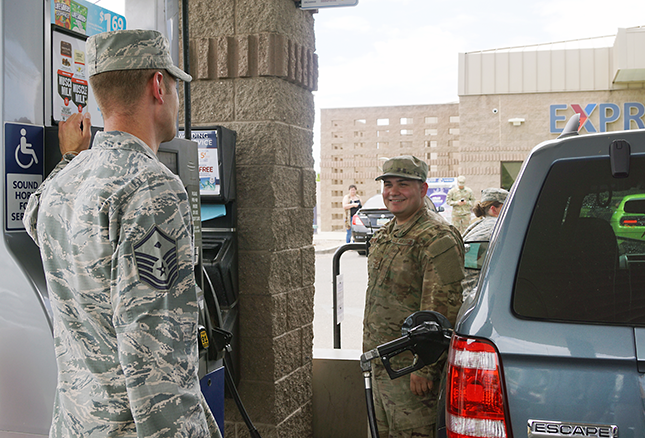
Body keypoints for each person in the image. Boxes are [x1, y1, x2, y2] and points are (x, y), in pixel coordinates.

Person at [23, 29, 222, 438]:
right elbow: (157, 359)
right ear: (157, 86)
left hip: (76, 425)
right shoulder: (152, 188)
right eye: (175, 87)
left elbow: (33, 218)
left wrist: (68, 159)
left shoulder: (62, 184)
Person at [363, 155, 465, 438]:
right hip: (381, 363)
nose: (393, 192)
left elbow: (442, 307)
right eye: (388, 184)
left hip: (411, 369)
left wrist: (426, 368)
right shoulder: (387, 233)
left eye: (403, 184)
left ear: (422, 189)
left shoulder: (436, 237)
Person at [461, 188, 508, 301]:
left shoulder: (474, 227)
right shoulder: (498, 228)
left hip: (466, 296)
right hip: (482, 297)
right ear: (493, 209)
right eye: (507, 207)